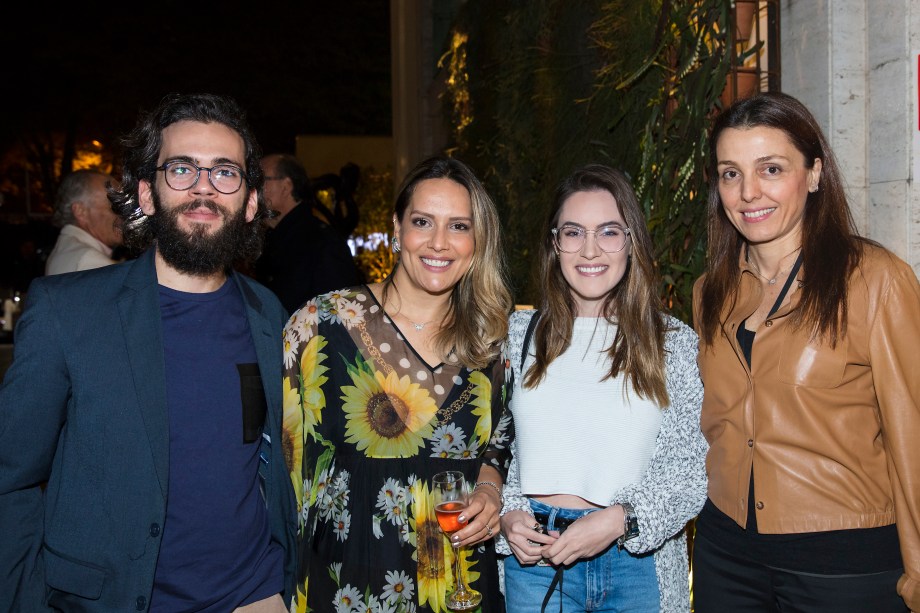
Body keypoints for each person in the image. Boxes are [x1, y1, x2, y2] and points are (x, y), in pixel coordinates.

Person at [0, 93, 296, 612]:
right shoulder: (67, 312)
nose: (203, 187)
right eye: (181, 168)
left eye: (225, 172)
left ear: (250, 201)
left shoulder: (267, 313)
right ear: (148, 192)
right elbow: (10, 479)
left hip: (254, 596)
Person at [691, 92, 920, 612]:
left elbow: (914, 435)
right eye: (730, 173)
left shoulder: (875, 280)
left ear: (814, 173)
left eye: (770, 169)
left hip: (843, 561)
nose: (748, 192)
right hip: (727, 554)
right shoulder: (712, 291)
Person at [281, 155, 514, 612]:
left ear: (478, 241)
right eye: (423, 221)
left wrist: (490, 484)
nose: (439, 243)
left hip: (458, 585)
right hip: (347, 583)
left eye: (459, 226)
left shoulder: (491, 340)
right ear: (397, 227)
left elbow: (502, 435)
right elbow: (282, 470)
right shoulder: (319, 325)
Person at [497, 164, 708, 612]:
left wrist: (618, 521)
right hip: (535, 560)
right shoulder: (518, 334)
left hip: (635, 563)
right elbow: (497, 450)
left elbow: (690, 472)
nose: (589, 249)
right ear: (555, 244)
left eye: (609, 232)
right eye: (573, 232)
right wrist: (509, 515)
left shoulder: (671, 342)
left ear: (631, 242)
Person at [255, 153, 361, 314]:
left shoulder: (321, 243)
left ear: (286, 186)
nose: (253, 190)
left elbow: (338, 315)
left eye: (261, 181)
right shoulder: (272, 238)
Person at [45, 168, 123, 275]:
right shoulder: (91, 263)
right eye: (113, 207)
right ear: (80, 211)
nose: (123, 214)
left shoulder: (67, 250)